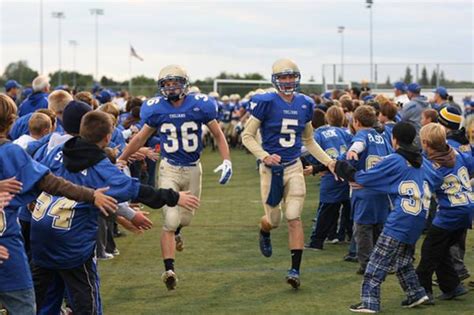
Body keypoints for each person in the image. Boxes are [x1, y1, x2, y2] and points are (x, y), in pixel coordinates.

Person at [31, 110, 199, 314]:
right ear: (108, 137)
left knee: (42, 303)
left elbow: (39, 178)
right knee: (87, 303)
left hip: (40, 234)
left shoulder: (56, 151)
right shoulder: (99, 167)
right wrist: (175, 197)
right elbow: (136, 190)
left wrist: (125, 215)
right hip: (71, 241)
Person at [0, 94, 117, 315]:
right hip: (12, 249)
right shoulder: (12, 152)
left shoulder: (33, 147)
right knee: (27, 306)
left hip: (33, 235)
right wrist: (92, 196)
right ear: (11, 120)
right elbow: (52, 183)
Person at [117, 64, 232, 290]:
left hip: (193, 168)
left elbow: (218, 134)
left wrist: (226, 159)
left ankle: (178, 232)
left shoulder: (201, 105)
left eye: (175, 82)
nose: (170, 87)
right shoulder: (155, 108)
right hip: (168, 167)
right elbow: (140, 138)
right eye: (166, 83)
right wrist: (121, 158)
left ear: (185, 83)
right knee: (169, 221)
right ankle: (169, 269)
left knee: (185, 219)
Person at [242, 58, 336, 289]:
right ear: (275, 80)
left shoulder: (304, 103)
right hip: (270, 168)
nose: (287, 81)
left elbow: (309, 140)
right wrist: (264, 155)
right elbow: (247, 136)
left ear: (297, 78)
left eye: (291, 76)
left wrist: (329, 161)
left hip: (294, 166)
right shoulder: (266, 102)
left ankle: (295, 270)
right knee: (274, 220)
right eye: (283, 77)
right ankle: (263, 230)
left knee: (294, 217)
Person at [335, 122, 430, 313]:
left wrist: (343, 169)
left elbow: (364, 178)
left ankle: (369, 301)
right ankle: (416, 293)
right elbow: (434, 179)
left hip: (401, 217)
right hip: (420, 215)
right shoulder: (422, 160)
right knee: (402, 259)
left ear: (394, 139)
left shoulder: (395, 159)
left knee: (377, 261)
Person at [415, 123, 472, 303]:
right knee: (442, 249)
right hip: (467, 209)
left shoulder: (431, 165)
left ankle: (422, 292)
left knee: (429, 252)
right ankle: (452, 286)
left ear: (425, 143)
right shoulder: (457, 154)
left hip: (450, 213)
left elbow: (424, 184)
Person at [346, 105, 392, 275]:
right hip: (381, 190)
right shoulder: (382, 137)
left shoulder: (362, 135)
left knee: (362, 228)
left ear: (356, 121)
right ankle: (381, 261)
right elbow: (391, 157)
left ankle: (367, 264)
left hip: (365, 190)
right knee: (379, 227)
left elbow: (358, 144)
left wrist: (352, 150)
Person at [304, 106, 352, 250]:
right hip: (347, 175)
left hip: (331, 177)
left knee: (326, 210)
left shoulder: (317, 134)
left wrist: (316, 167)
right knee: (348, 209)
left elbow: (308, 152)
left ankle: (316, 241)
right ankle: (347, 236)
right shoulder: (343, 132)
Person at [400, 83, 429, 147]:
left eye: (407, 92)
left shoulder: (410, 106)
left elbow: (400, 120)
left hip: (415, 140)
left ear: (411, 93)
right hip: (428, 139)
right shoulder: (428, 104)